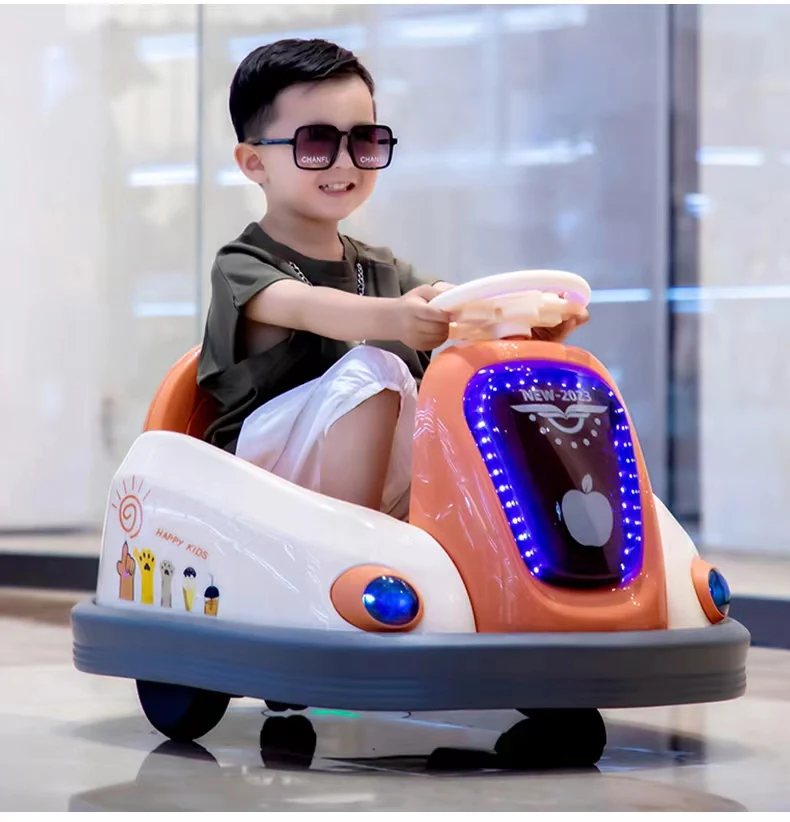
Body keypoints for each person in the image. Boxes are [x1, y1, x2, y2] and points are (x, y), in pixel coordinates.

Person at [197, 39, 587, 520]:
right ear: (255, 162)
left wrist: (520, 321)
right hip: (264, 489)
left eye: (363, 141)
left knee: (480, 398)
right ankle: (352, 545)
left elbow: (453, 304)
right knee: (376, 370)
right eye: (316, 144)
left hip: (382, 486)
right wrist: (398, 319)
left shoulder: (381, 269)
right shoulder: (243, 264)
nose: (345, 162)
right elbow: (304, 305)